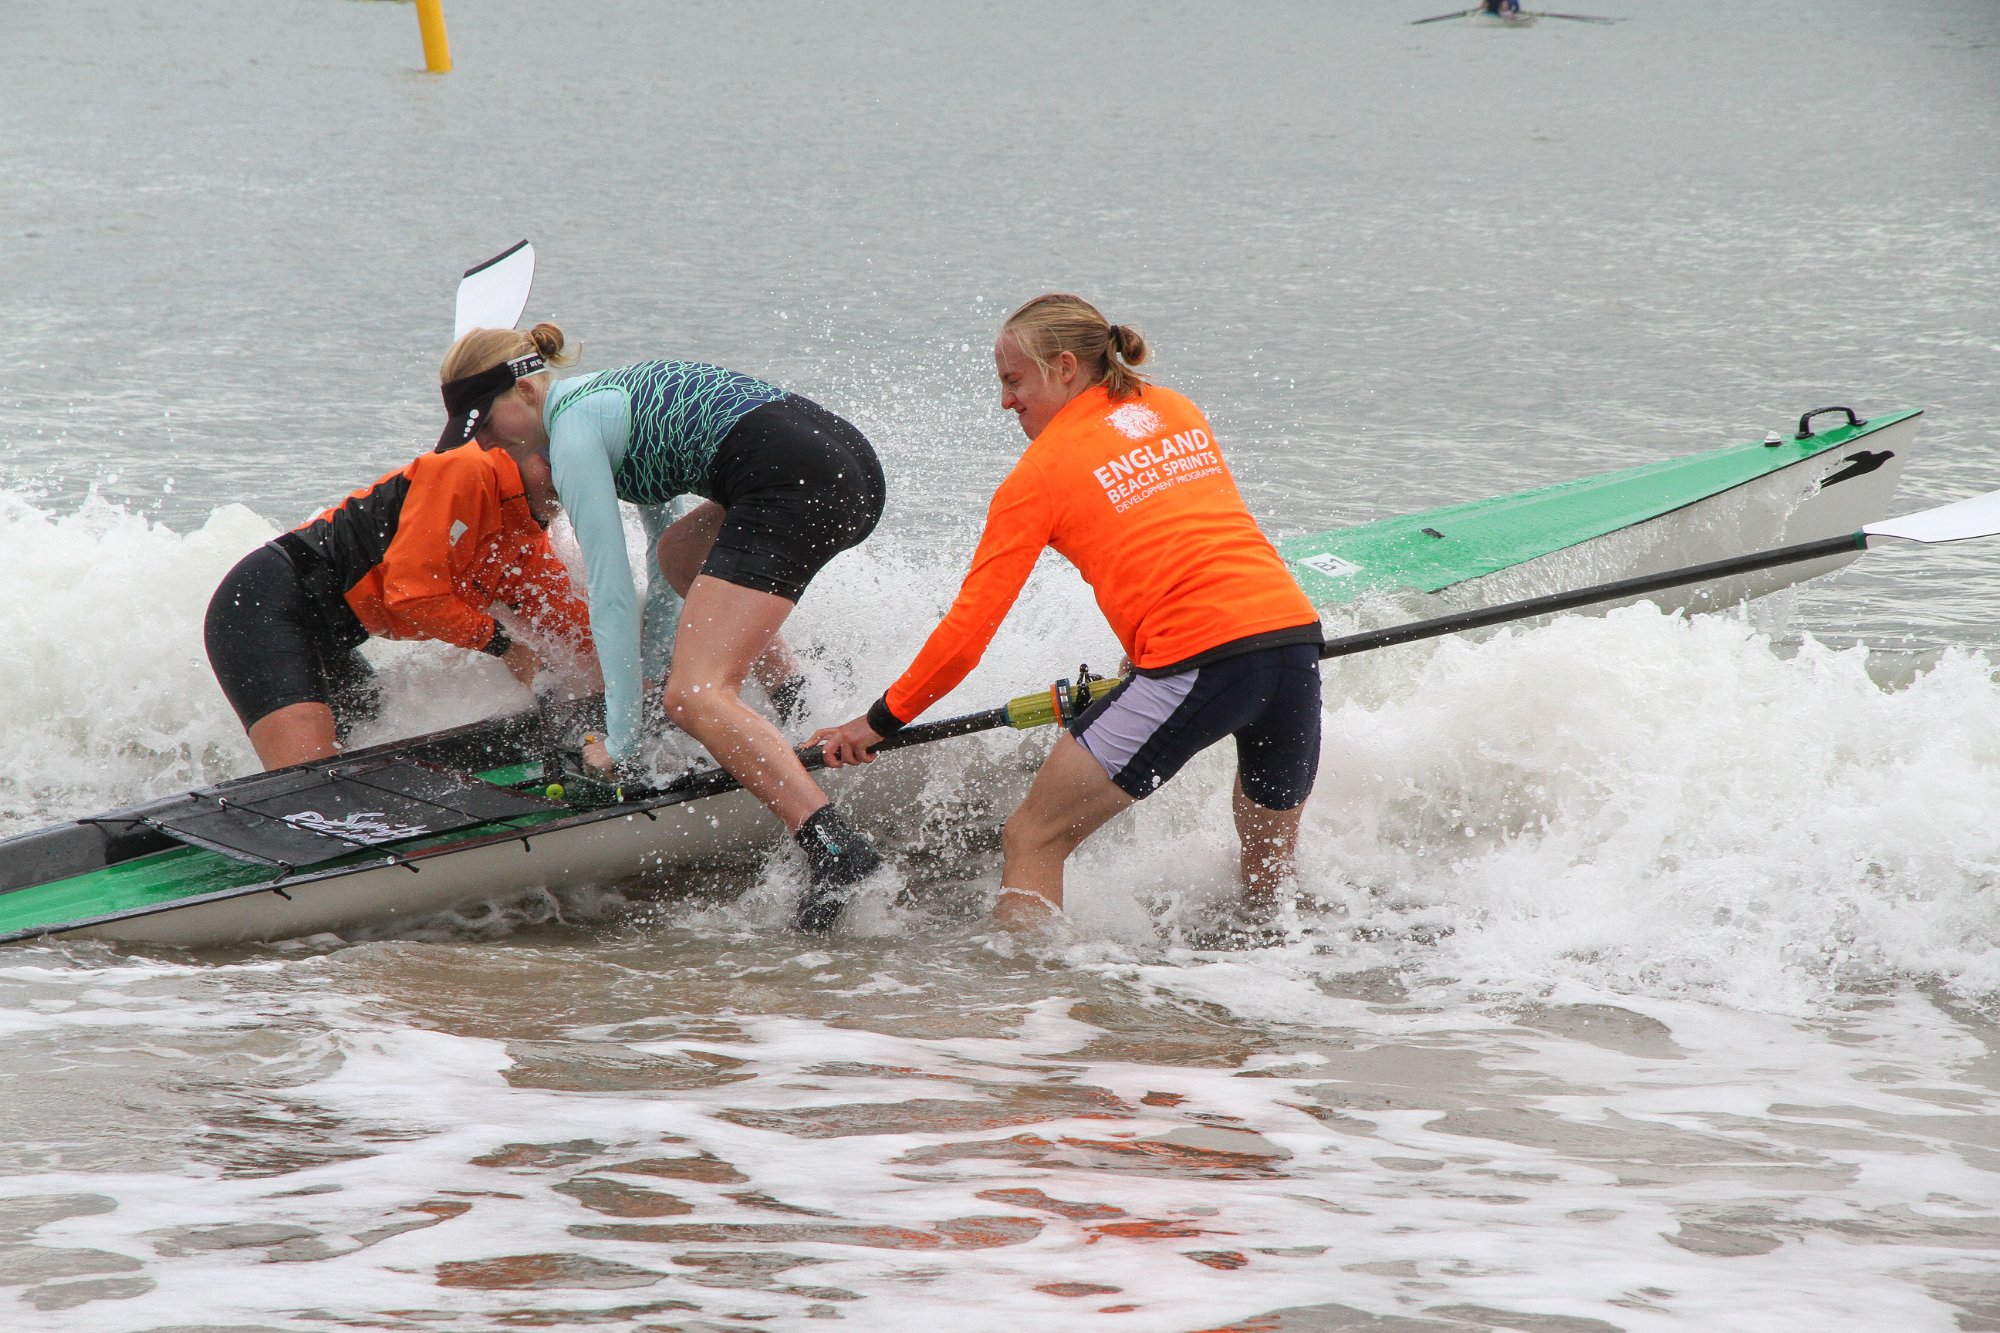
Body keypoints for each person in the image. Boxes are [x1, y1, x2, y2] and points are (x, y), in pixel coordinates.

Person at [812, 294, 1324, 932]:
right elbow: (1181, 544)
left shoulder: (1039, 476)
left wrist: (880, 721)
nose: (1006, 401)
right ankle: (1289, 987)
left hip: (1198, 660)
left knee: (1033, 837)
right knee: (1270, 877)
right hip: (1295, 643)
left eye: (1012, 380)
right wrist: (1139, 669)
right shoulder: (1175, 410)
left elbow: (968, 634)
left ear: (1062, 367)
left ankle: (1030, 1012)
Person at [436, 324, 888, 915]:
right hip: (844, 462)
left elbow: (612, 596)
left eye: (487, 423)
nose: (490, 443)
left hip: (794, 478)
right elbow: (659, 559)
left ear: (525, 392)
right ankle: (794, 692)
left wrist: (622, 741)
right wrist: (646, 684)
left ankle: (839, 853)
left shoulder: (571, 439)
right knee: (683, 555)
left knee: (695, 697)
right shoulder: (596, 398)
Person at [204, 443, 593, 770]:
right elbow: (414, 596)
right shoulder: (468, 467)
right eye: (550, 460)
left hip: (333, 638)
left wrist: (637, 678)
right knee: (313, 781)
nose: (563, 476)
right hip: (262, 605)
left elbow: (578, 628)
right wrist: (505, 646)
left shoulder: (526, 540)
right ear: (519, 443)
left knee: (360, 753)